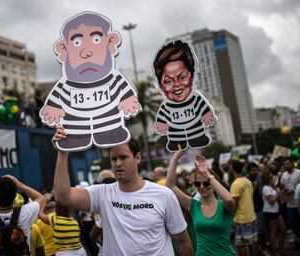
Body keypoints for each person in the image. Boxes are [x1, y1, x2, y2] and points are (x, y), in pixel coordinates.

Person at [52, 126, 193, 255]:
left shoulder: (163, 194)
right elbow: (63, 196)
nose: (118, 163)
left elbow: (182, 241)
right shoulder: (102, 193)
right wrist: (62, 152)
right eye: (114, 159)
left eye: (123, 157)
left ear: (137, 158)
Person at [39, 12, 141, 151]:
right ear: (63, 49)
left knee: (112, 132)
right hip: (75, 131)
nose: (86, 52)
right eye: (77, 42)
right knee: (75, 137)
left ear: (111, 42)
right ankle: (76, 138)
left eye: (96, 40)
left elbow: (125, 91)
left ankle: (112, 131)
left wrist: (128, 100)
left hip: (110, 126)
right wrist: (53, 107)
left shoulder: (114, 78)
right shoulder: (65, 85)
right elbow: (56, 97)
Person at [166, 149, 236, 255]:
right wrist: (175, 158)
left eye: (206, 183)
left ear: (213, 182)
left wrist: (207, 174)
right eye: (198, 184)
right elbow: (170, 185)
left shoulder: (224, 206)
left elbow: (229, 199)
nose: (202, 187)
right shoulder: (193, 205)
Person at [153, 40, 216, 151]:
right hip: (176, 138)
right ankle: (176, 142)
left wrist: (207, 115)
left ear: (192, 77)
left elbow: (205, 109)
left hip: (197, 133)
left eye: (182, 77)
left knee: (198, 139)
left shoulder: (196, 99)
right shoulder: (165, 106)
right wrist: (161, 124)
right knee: (176, 143)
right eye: (168, 81)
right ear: (161, 86)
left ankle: (198, 138)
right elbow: (162, 117)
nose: (177, 85)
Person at [229, 160, 258, 256]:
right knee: (252, 243)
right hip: (251, 216)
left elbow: (234, 204)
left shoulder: (235, 184)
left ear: (232, 168)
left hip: (241, 220)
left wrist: (230, 217)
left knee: (240, 245)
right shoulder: (248, 181)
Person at [279, 157, 300, 246]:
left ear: (292, 163)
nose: (286, 166)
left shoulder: (299, 172)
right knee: (293, 225)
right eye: (285, 164)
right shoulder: (284, 175)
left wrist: (293, 190)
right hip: (289, 203)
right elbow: (281, 186)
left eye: (288, 164)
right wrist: (283, 190)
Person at [261, 170, 286, 256]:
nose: (272, 178)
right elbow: (271, 200)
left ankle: (280, 250)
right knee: (273, 232)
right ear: (267, 178)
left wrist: (280, 192)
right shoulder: (265, 188)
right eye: (271, 176)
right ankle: (276, 252)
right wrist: (278, 193)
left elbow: (278, 197)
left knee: (283, 229)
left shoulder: (271, 187)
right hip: (270, 212)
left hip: (276, 210)